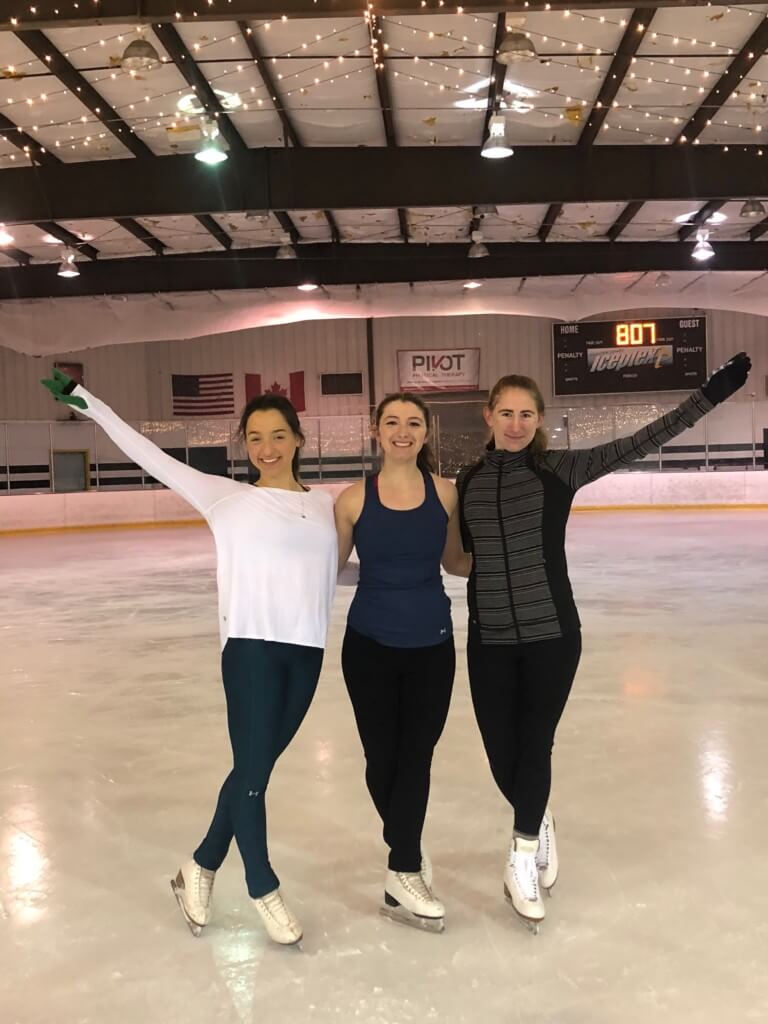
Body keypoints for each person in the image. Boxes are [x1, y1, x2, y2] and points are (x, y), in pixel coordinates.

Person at [41, 368, 338, 946]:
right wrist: (88, 402)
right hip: (250, 649)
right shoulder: (225, 496)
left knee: (253, 771)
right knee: (253, 780)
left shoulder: (326, 505)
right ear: (244, 445)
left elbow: (341, 567)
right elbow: (146, 451)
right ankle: (262, 888)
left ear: (298, 440)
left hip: (306, 652)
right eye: (254, 438)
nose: (266, 448)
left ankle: (198, 867)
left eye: (278, 435)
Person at [456, 353, 752, 933]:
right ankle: (538, 820)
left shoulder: (560, 468)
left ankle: (519, 857)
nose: (516, 423)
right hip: (488, 637)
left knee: (535, 744)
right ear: (488, 416)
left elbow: (642, 440)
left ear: (539, 419)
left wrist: (709, 396)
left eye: (527, 414)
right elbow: (464, 560)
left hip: (551, 636)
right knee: (500, 753)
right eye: (506, 413)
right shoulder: (467, 481)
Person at [334, 393, 469, 932]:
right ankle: (406, 849)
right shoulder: (351, 500)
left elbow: (456, 561)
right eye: (392, 422)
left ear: (426, 432)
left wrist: (519, 559)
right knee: (380, 758)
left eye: (413, 422)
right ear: (375, 430)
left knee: (417, 758)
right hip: (368, 645)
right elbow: (328, 568)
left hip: (432, 646)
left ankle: (403, 866)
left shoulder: (447, 494)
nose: (403, 431)